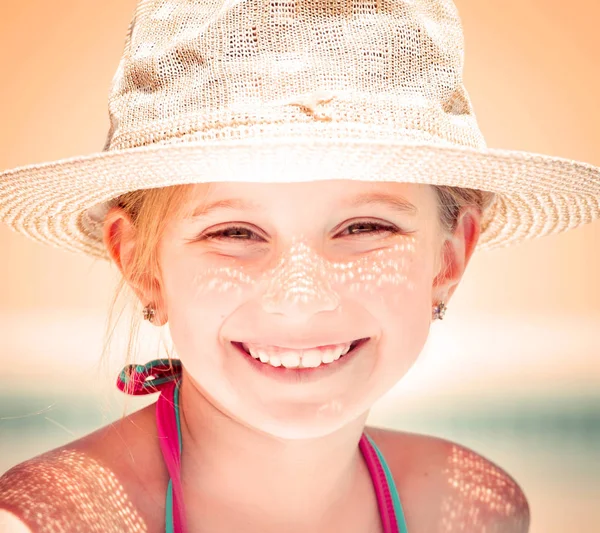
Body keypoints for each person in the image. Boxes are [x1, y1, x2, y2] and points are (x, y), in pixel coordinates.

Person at [0, 0, 598, 531]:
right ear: (140, 265)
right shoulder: (46, 522)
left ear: (450, 256)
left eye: (364, 227)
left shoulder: (472, 511)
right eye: (234, 232)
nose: (301, 296)